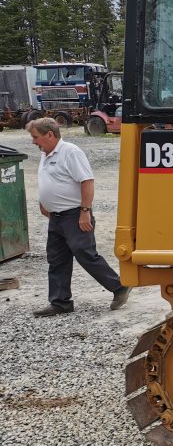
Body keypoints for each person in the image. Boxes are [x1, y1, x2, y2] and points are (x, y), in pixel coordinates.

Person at [27, 117, 131, 316]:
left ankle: (119, 287)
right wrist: (44, 203)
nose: (33, 142)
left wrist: (85, 212)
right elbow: (48, 180)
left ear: (50, 134)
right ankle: (60, 302)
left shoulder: (71, 152)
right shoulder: (45, 153)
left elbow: (87, 182)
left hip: (75, 215)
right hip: (56, 217)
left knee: (84, 253)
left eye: (36, 137)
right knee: (57, 259)